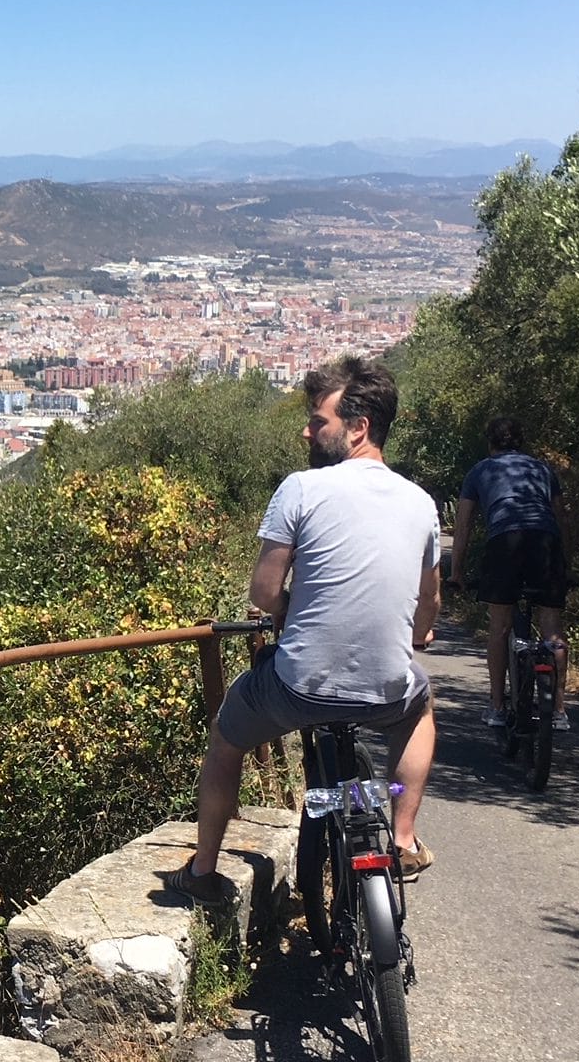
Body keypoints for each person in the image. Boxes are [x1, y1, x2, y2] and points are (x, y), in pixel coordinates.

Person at [169, 355, 441, 906]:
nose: (307, 430)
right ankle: (405, 838)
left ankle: (202, 871)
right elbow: (429, 605)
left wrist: (292, 609)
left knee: (226, 739)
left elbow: (264, 595)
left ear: (357, 428)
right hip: (384, 688)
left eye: (318, 420)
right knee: (419, 709)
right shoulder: (421, 503)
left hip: (297, 689)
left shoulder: (300, 488)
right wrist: (418, 637)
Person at [446, 416, 571, 730]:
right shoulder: (543, 470)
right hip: (546, 541)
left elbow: (462, 526)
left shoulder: (480, 471)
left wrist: (457, 572)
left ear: (491, 443)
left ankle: (497, 707)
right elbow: (560, 519)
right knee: (552, 625)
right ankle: (558, 710)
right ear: (521, 442)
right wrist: (563, 565)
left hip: (505, 540)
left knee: (500, 625)